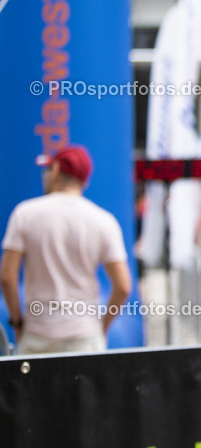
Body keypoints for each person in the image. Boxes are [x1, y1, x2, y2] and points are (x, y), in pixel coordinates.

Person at [1, 145, 132, 354]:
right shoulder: (104, 221)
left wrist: (17, 323)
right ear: (85, 181)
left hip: (37, 336)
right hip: (85, 338)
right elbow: (123, 286)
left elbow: (7, 277)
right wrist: (101, 328)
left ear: (55, 171)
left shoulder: (24, 214)